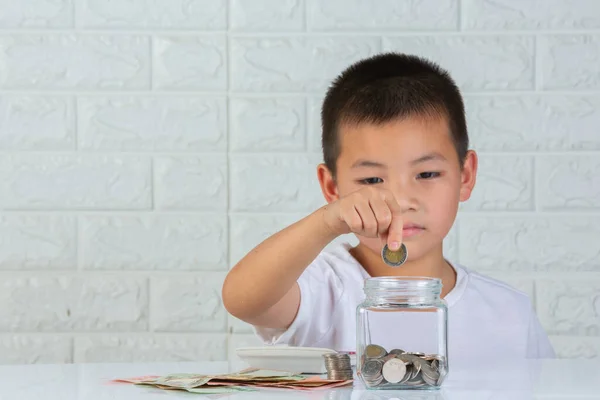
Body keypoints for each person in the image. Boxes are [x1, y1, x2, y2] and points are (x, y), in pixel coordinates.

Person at [222, 52, 555, 361]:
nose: (400, 201)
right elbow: (243, 299)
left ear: (465, 175)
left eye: (426, 173)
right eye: (371, 180)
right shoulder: (322, 290)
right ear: (332, 187)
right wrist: (326, 223)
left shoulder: (509, 312)